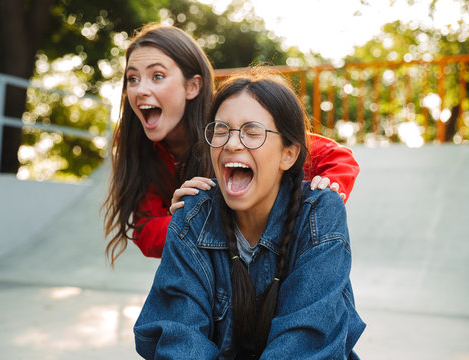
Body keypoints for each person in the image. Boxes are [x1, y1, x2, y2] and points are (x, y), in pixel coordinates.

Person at [134, 74, 365, 359]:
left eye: (252, 132)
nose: (231, 144)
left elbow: (305, 341)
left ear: (289, 154)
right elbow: (179, 336)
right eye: (221, 130)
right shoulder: (193, 213)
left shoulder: (320, 214)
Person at [102, 23, 360, 263]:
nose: (140, 90)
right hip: (207, 267)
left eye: (157, 76)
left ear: (192, 86)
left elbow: (337, 158)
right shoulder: (137, 146)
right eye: (132, 79)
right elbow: (146, 230)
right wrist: (191, 218)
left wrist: (326, 196)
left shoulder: (229, 123)